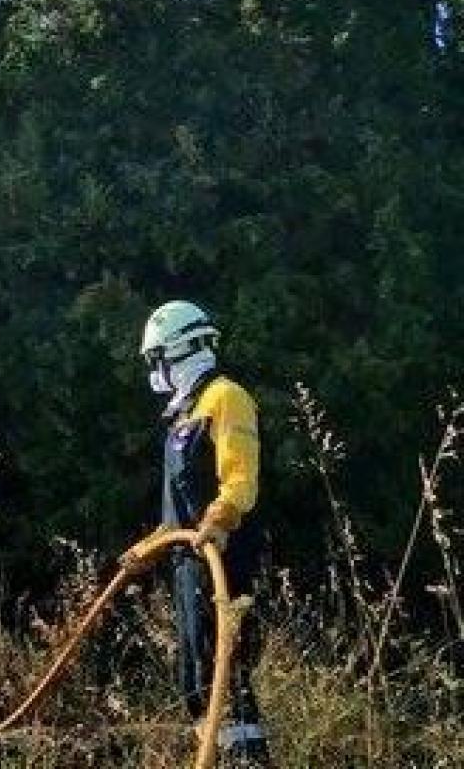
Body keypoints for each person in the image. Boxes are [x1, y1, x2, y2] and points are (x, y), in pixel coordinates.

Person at [120, 301, 273, 767]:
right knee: (195, 680)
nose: (154, 370)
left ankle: (246, 761)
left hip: (224, 564)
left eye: (155, 358)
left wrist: (220, 519)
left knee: (225, 677)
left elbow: (240, 480)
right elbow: (177, 515)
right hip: (189, 567)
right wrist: (147, 549)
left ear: (180, 350)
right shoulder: (181, 416)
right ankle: (214, 757)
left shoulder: (227, 399)